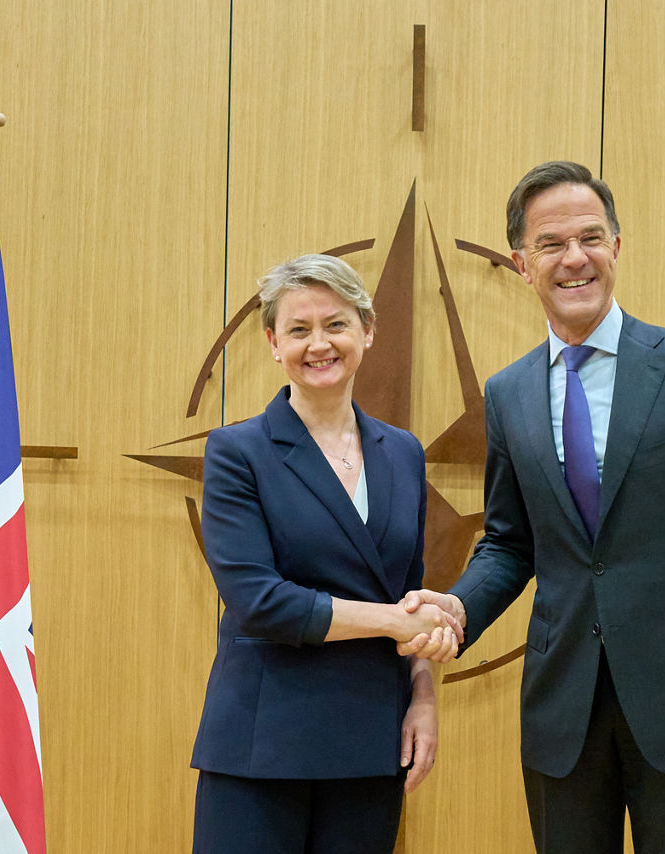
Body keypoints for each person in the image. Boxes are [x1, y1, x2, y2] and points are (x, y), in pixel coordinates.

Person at [401, 162, 665, 853]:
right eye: (552, 244)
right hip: (564, 711)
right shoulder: (509, 394)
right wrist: (460, 607)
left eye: (591, 237)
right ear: (522, 264)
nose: (574, 258)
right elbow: (510, 543)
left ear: (618, 246)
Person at [191, 254, 460, 853]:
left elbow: (409, 589)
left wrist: (422, 694)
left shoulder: (403, 453)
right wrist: (395, 620)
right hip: (262, 744)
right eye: (299, 329)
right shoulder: (238, 451)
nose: (319, 344)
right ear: (272, 342)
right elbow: (259, 600)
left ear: (367, 331)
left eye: (336, 325)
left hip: (371, 738)